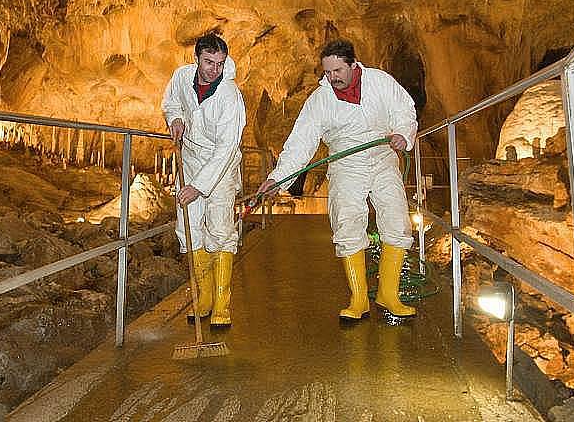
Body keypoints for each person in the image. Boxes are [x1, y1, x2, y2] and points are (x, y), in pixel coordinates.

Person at [257, 39, 418, 320]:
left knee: (397, 220)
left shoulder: (380, 82)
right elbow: (300, 143)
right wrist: (277, 179)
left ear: (353, 65)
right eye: (328, 72)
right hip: (346, 164)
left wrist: (403, 134)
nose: (332, 78)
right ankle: (358, 299)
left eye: (338, 71)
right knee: (346, 222)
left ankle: (388, 295)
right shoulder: (320, 100)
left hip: (383, 157)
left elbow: (405, 110)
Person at [162, 33, 246, 326]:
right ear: (196, 58)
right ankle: (203, 297)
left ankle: (222, 304)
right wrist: (175, 118)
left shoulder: (230, 97)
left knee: (221, 230)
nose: (214, 69)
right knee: (188, 228)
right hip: (191, 160)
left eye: (219, 63)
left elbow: (226, 147)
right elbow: (171, 101)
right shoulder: (182, 77)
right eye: (209, 62)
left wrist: (199, 187)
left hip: (220, 169)